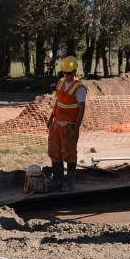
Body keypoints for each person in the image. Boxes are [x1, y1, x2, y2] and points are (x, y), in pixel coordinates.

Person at [47, 56, 87, 191]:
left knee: (70, 153)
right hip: (57, 124)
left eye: (69, 73)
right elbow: (58, 102)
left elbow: (81, 109)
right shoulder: (60, 83)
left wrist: (76, 128)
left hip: (69, 126)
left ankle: (69, 182)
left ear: (75, 72)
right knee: (54, 151)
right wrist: (51, 117)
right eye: (64, 72)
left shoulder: (79, 88)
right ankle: (57, 179)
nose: (67, 75)